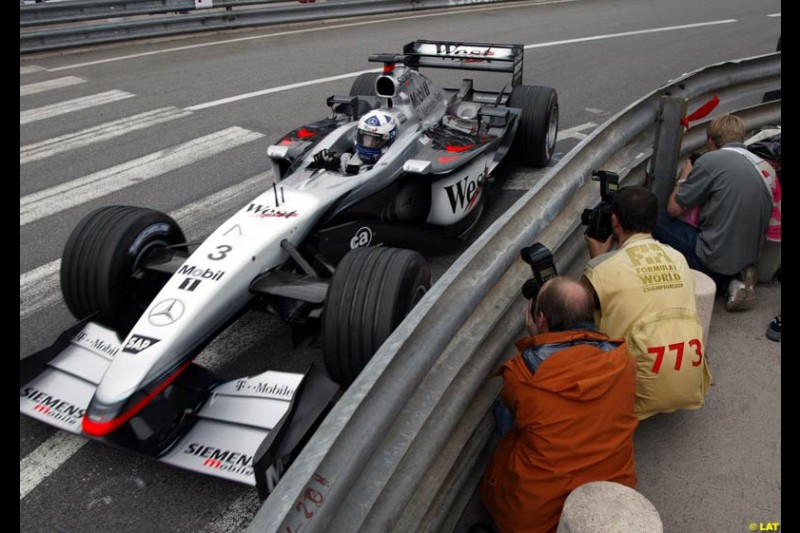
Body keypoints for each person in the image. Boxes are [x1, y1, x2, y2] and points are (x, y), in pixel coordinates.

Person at [480, 276, 637, 533]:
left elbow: (529, 403)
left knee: (507, 410)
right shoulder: (624, 360)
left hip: (534, 519)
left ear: (540, 319)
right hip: (613, 493)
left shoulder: (522, 374)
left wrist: (535, 342)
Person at [582, 185, 711, 420]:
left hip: (630, 398)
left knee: (577, 323)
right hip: (688, 384)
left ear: (615, 221)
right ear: (654, 221)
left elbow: (573, 310)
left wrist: (598, 259)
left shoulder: (601, 269)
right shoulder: (678, 257)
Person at [653, 114, 772, 311]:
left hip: (712, 258)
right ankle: (734, 280)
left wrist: (683, 179)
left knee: (654, 217)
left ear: (710, 141)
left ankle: (677, 278)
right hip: (748, 255)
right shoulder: (764, 166)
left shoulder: (711, 160)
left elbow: (674, 209)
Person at [313, 109, 398, 174]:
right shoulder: (347, 159)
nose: (368, 143)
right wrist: (331, 162)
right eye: (365, 138)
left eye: (375, 141)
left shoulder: (391, 162)